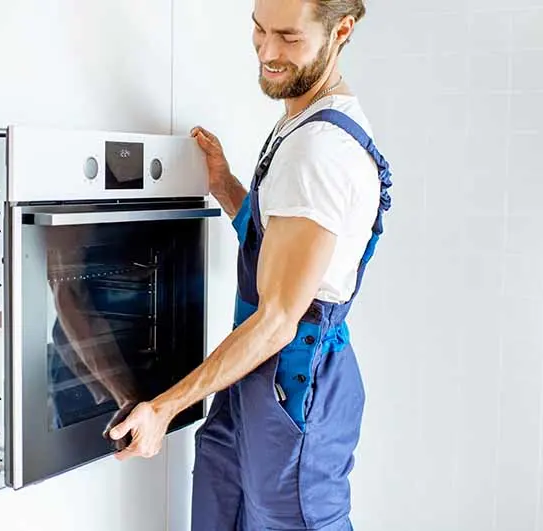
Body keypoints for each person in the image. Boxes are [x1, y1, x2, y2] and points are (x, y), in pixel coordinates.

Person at [107, 0, 392, 529]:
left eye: (287, 37)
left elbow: (280, 318)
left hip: (293, 386)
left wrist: (165, 407)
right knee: (222, 506)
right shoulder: (301, 123)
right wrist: (226, 186)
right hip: (256, 378)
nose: (266, 52)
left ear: (341, 31)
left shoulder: (321, 152)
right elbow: (280, 243)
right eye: (258, 31)